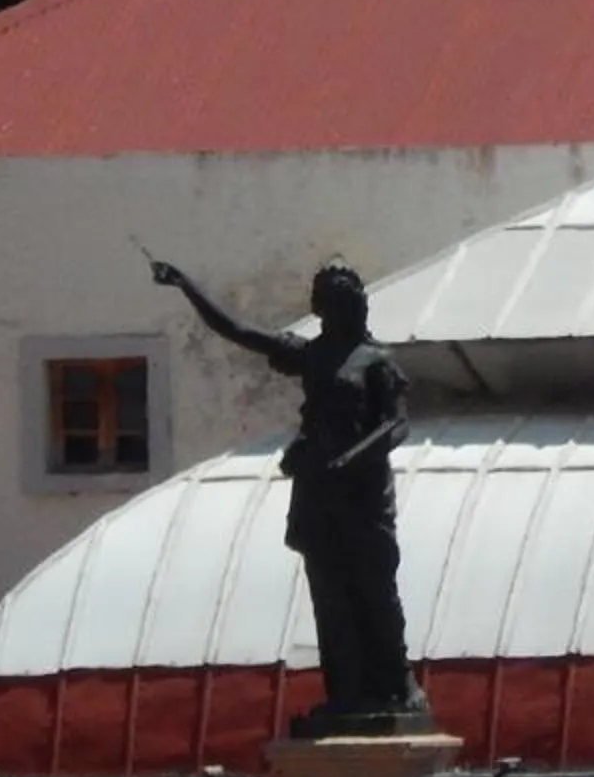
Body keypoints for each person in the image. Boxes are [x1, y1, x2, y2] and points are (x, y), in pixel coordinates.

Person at [151, 256, 426, 730]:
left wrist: (353, 458)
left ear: (357, 304)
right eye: (330, 299)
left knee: (376, 590)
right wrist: (185, 284)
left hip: (362, 495)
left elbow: (396, 425)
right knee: (330, 595)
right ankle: (345, 693)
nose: (338, 307)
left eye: (345, 297)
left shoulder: (377, 361)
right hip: (319, 492)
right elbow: (238, 331)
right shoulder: (311, 356)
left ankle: (397, 687)